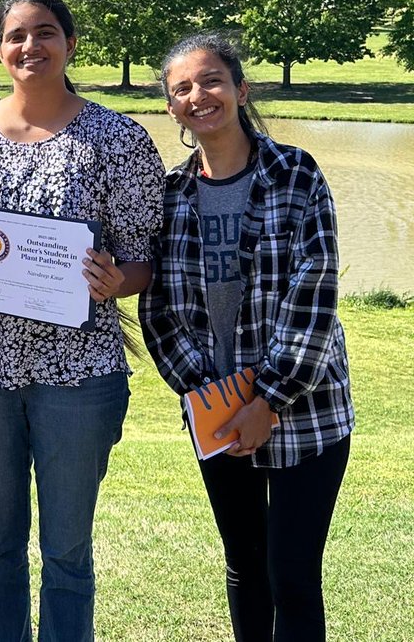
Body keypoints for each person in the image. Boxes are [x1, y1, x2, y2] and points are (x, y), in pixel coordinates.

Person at [0, 0, 164, 641]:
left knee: (66, 552)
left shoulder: (117, 139)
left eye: (45, 32)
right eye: (16, 35)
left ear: (70, 43)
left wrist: (117, 281)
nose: (30, 46)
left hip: (79, 376)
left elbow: (145, 261)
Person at [139, 33, 353, 642]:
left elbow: (314, 293)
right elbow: (158, 309)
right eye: (182, 88)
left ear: (240, 88)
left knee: (292, 575)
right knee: (244, 566)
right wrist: (212, 397)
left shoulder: (295, 174)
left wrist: (268, 400)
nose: (198, 95)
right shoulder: (170, 196)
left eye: (211, 80)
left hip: (306, 411)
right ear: (171, 107)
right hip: (218, 416)